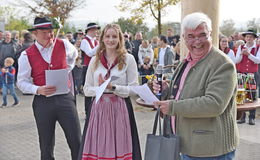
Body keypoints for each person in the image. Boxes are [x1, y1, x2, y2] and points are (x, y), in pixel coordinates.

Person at [153, 12, 239, 160]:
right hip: (186, 145)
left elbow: (214, 104)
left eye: (202, 35)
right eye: (191, 36)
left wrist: (172, 107)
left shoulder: (222, 64)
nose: (197, 41)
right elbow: (183, 93)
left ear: (211, 34)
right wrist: (166, 90)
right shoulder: (186, 61)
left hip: (210, 151)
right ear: (183, 39)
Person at [17, 17, 81, 160]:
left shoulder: (64, 44)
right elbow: (21, 82)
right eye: (45, 32)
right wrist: (37, 89)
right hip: (43, 102)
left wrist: (67, 69)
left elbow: (74, 54)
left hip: (65, 99)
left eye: (51, 31)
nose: (49, 35)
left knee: (76, 140)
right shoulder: (26, 54)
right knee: (46, 145)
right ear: (35, 33)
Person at [78, 24, 142, 160]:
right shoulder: (95, 60)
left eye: (114, 36)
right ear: (102, 39)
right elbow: (87, 89)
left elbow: (134, 88)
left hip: (120, 110)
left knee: (120, 147)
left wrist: (114, 88)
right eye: (107, 36)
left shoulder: (128, 59)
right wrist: (101, 88)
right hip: (99, 110)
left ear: (120, 39)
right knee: (99, 147)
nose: (111, 40)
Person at [236, 28, 260, 125]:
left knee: (252, 95)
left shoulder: (258, 47)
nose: (248, 38)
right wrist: (242, 54)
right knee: (240, 95)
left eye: (250, 37)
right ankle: (242, 117)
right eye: (247, 37)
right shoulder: (241, 47)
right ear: (245, 38)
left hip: (252, 74)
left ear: (254, 38)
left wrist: (249, 54)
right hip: (241, 73)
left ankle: (251, 117)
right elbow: (237, 60)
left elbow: (258, 60)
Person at [80, 22, 100, 87]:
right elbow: (89, 53)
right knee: (88, 86)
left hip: (96, 66)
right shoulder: (84, 41)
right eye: (96, 29)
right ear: (90, 30)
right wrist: (100, 46)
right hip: (87, 67)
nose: (97, 31)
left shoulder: (96, 41)